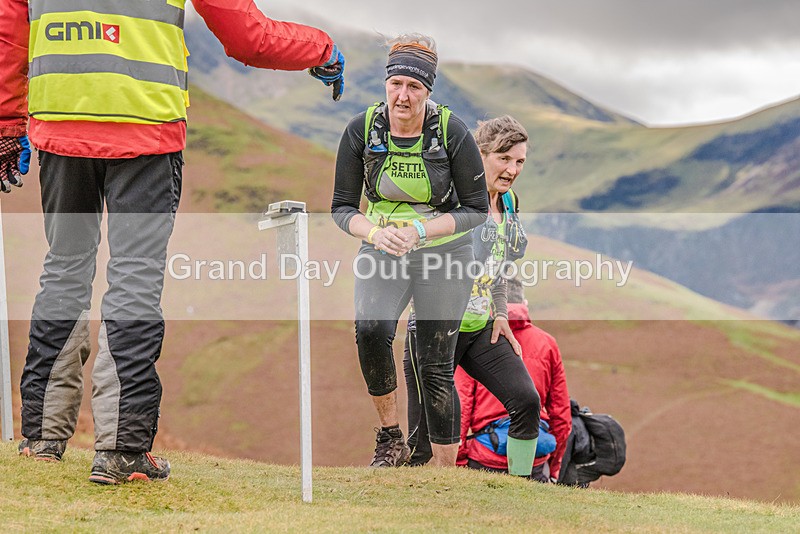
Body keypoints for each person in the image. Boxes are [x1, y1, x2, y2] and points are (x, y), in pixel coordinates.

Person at [0, 0, 345, 485]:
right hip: (146, 133)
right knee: (134, 284)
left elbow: (10, 31)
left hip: (61, 127)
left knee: (64, 270)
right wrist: (322, 49)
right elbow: (249, 36)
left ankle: (41, 437)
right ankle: (121, 450)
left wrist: (8, 124)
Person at [331, 33, 488, 468]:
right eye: (396, 84)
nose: (403, 95)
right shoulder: (361, 130)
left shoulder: (451, 132)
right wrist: (373, 234)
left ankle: (443, 471)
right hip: (383, 247)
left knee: (434, 362)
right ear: (386, 83)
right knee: (370, 331)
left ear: (428, 90)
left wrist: (420, 230)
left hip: (446, 252)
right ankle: (390, 438)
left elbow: (476, 209)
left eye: (414, 87)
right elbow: (342, 207)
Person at [404, 115, 542, 477]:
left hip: (482, 327)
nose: (512, 169)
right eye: (503, 158)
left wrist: (500, 314)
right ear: (479, 155)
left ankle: (520, 487)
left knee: (527, 401)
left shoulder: (510, 203)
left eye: (520, 161)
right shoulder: (453, 198)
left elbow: (499, 265)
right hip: (435, 329)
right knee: (423, 442)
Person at [456, 277, 572, 481]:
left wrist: (460, 460)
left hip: (485, 456)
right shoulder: (547, 343)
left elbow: (462, 404)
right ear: (524, 304)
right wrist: (553, 467)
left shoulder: (474, 338)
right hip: (534, 458)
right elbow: (561, 414)